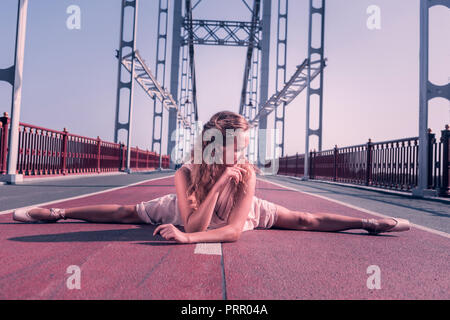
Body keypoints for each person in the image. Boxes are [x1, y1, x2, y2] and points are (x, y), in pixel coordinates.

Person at [13, 111, 410, 243]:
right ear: (216, 146)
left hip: (240, 208)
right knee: (125, 213)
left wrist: (189, 237)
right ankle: (61, 213)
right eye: (239, 146)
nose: (245, 154)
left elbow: (234, 230)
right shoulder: (186, 173)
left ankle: (366, 223)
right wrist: (218, 182)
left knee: (303, 220)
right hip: (187, 206)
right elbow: (193, 222)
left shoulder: (248, 174)